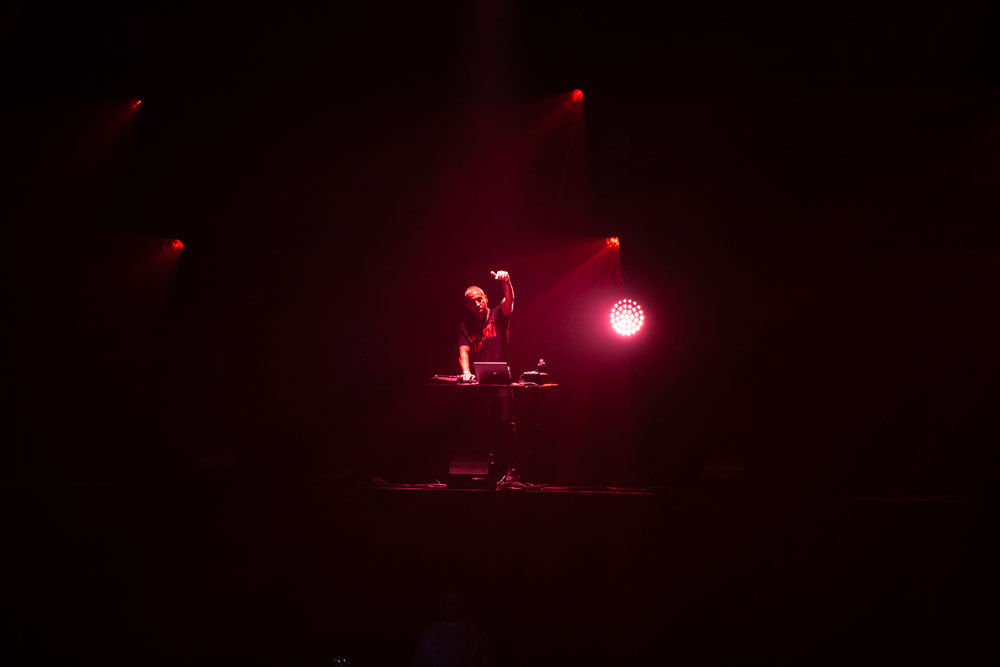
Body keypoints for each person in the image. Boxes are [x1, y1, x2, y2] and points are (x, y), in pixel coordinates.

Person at [457, 271, 517, 483]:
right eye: (472, 302)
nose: (477, 304)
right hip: (480, 385)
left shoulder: (498, 315)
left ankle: (508, 469)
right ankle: (485, 470)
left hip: (502, 384)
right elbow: (463, 353)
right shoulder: (465, 327)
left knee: (505, 424)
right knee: (482, 426)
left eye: (479, 299)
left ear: (486, 298)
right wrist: (466, 372)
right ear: (468, 306)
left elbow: (509, 300)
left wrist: (506, 281)